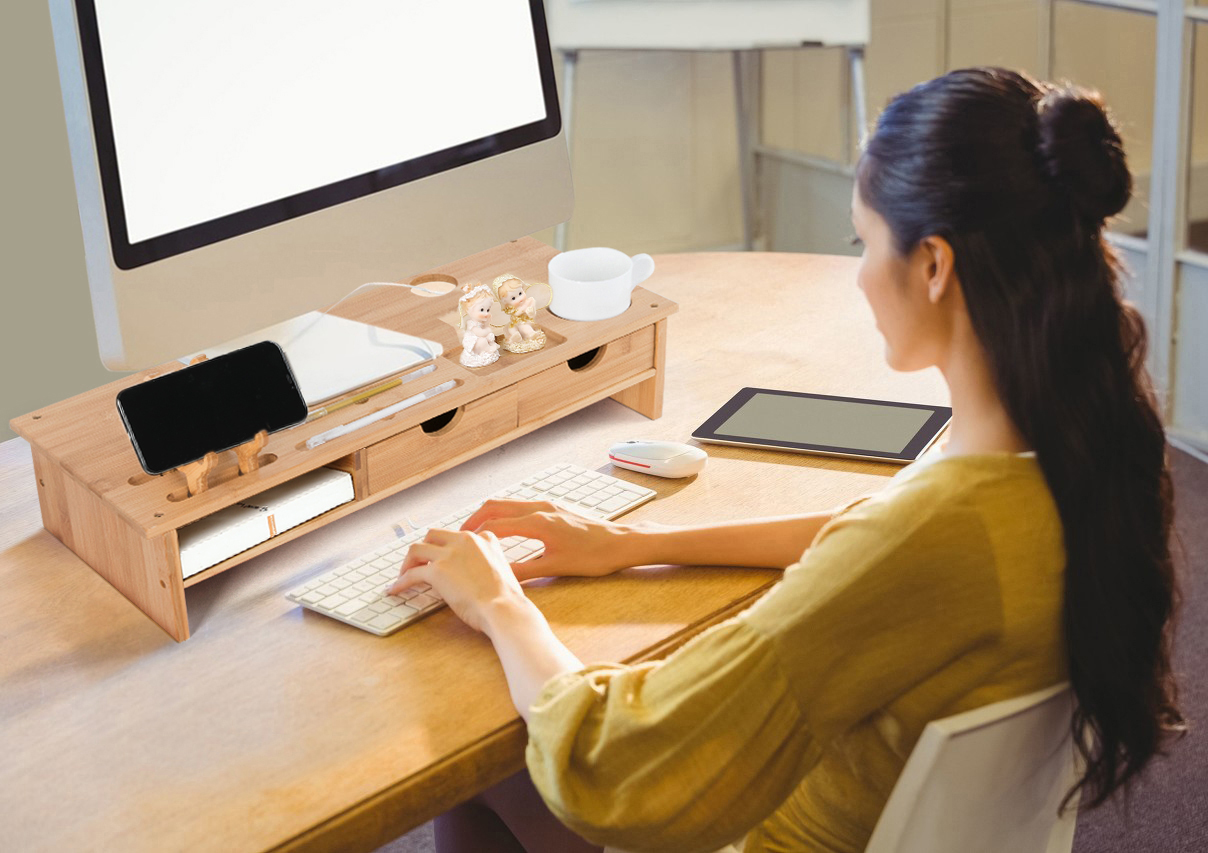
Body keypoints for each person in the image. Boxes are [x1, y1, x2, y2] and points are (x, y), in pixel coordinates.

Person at [385, 67, 1185, 853]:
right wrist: (636, 545)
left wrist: (498, 604)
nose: (860, 277)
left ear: (935, 266)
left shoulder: (933, 531)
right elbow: (870, 531)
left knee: (500, 766)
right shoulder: (1080, 445)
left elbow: (618, 760)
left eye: (862, 242)